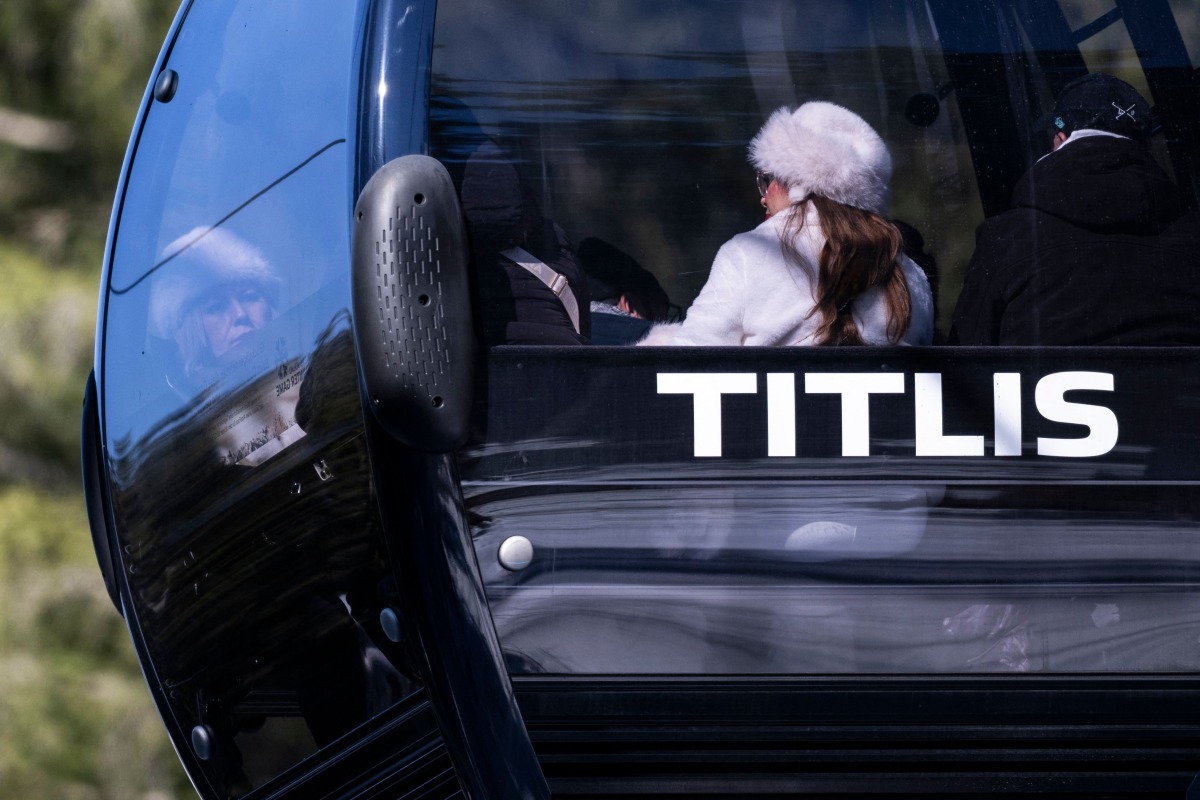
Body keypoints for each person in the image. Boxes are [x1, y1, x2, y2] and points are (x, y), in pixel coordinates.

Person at [638, 101, 933, 346]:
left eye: (766, 181)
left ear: (795, 183)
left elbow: (687, 362)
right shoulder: (909, 275)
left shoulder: (750, 253)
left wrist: (658, 340)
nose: (763, 199)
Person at [950, 72, 1200, 346]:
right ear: (1144, 145)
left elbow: (964, 364)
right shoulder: (1191, 233)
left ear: (1059, 137)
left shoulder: (1008, 237)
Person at [149, 226, 283, 378]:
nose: (240, 314)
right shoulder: (192, 400)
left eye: (249, 297)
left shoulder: (308, 364)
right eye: (216, 307)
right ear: (193, 333)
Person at [577, 237, 672, 345]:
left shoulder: (563, 327)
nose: (662, 326)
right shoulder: (637, 343)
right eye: (657, 319)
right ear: (629, 304)